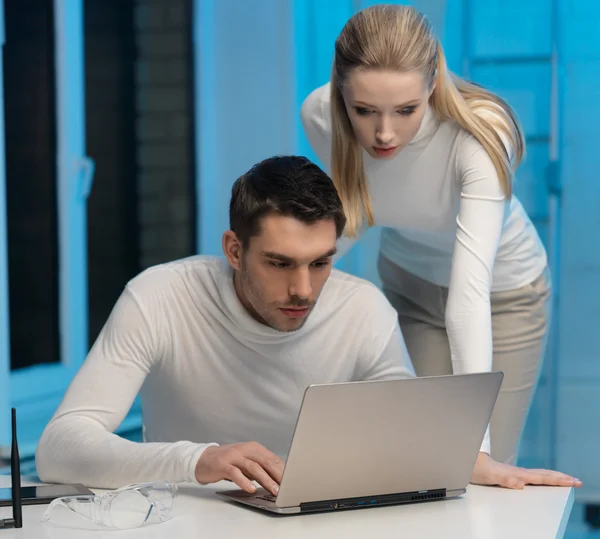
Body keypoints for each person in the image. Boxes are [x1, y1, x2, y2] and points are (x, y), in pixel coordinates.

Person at [300, 4, 575, 488]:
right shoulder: (320, 116)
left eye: (405, 110)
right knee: (422, 464)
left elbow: (471, 292)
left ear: (432, 83)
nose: (384, 133)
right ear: (340, 93)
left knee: (478, 471)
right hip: (409, 285)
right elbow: (360, 213)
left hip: (503, 296)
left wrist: (479, 449)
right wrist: (288, 279)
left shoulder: (481, 134)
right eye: (364, 110)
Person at [35, 155, 416, 493]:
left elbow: (414, 437)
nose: (303, 290)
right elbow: (59, 448)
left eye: (320, 263)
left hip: (317, 518)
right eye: (280, 264)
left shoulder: (363, 309)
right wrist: (196, 461)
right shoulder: (159, 297)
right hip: (185, 519)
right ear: (235, 250)